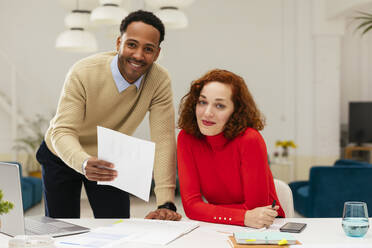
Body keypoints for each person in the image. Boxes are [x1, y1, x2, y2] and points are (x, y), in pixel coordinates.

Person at [36, 10, 181, 221]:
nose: (139, 55)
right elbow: (63, 130)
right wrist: (84, 163)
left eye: (148, 49)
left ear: (157, 53)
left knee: (118, 227)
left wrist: (165, 202)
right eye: (131, 44)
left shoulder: (159, 81)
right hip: (62, 153)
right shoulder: (84, 72)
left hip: (110, 156)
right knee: (62, 228)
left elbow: (163, 141)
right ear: (118, 43)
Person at [177, 69, 285, 228]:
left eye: (219, 105)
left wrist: (206, 210)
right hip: (222, 225)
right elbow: (191, 207)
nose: (207, 113)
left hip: (265, 226)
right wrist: (243, 216)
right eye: (202, 102)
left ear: (236, 111)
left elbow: (256, 210)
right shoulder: (187, 138)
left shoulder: (250, 139)